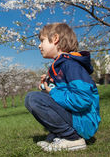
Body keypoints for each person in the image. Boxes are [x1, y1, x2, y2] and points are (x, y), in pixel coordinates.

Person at [25, 22, 101, 152]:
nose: (39, 45)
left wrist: (53, 91)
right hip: (77, 118)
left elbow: (82, 100)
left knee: (33, 98)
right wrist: (46, 89)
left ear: (55, 39)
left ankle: (72, 138)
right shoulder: (61, 65)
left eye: (42, 41)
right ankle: (62, 134)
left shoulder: (71, 66)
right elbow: (63, 93)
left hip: (83, 121)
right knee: (37, 97)